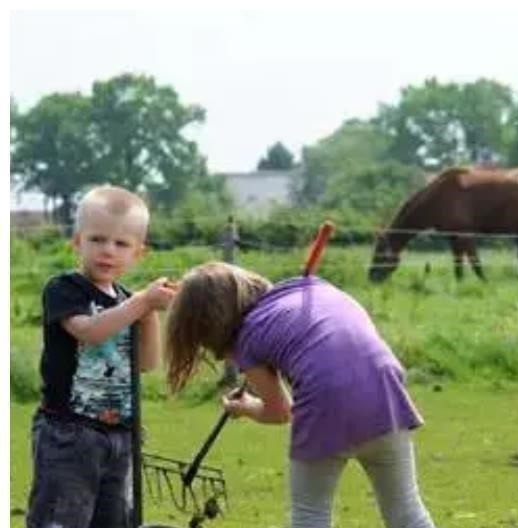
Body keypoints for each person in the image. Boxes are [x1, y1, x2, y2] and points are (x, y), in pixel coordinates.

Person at [163, 262, 436, 528]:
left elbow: (279, 411)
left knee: (310, 515)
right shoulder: (311, 288)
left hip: (326, 402)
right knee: (406, 511)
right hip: (385, 394)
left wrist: (245, 408)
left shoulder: (248, 338)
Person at [28, 185, 177, 528]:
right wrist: (141, 303)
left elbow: (147, 362)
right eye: (97, 239)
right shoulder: (65, 289)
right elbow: (90, 331)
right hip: (69, 433)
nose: (108, 250)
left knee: (113, 521)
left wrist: (150, 312)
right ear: (77, 242)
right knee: (63, 518)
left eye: (121, 243)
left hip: (118, 435)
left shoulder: (127, 299)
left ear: (138, 253)